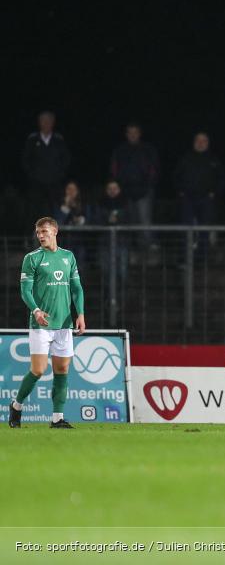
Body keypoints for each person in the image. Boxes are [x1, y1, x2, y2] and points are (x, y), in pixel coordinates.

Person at [8, 217, 85, 429]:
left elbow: (77, 288)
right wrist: (36, 310)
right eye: (38, 232)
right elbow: (25, 291)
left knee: (62, 370)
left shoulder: (68, 257)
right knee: (39, 370)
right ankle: (16, 406)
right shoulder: (32, 258)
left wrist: (80, 314)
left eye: (44, 231)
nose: (41, 236)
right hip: (41, 323)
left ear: (55, 231)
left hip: (64, 323)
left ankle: (57, 418)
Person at [110, 122, 160, 249]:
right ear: (126, 134)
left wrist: (148, 186)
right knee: (130, 220)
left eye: (135, 132)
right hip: (126, 192)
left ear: (139, 134)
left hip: (144, 191)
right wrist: (119, 188)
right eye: (130, 132)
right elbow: (114, 170)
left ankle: (148, 245)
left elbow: (154, 170)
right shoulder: (120, 150)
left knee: (145, 219)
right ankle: (134, 246)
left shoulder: (148, 149)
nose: (132, 135)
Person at [175, 132, 225, 248]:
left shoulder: (214, 159)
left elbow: (221, 178)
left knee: (205, 229)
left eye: (204, 141)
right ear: (194, 142)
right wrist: (181, 191)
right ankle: (186, 259)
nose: (200, 143)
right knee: (186, 230)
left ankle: (203, 260)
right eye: (198, 140)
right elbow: (176, 176)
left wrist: (214, 193)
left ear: (208, 143)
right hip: (188, 199)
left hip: (206, 199)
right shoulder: (186, 158)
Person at [21, 111, 71, 221]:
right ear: (39, 123)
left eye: (49, 121)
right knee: (35, 211)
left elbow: (66, 159)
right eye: (43, 121)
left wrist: (59, 175)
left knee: (56, 211)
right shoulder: (32, 139)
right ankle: (35, 236)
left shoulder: (58, 139)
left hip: (55, 183)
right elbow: (25, 160)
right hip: (37, 183)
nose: (46, 123)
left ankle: (55, 235)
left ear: (53, 123)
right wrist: (33, 175)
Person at [88, 180, 129, 281]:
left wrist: (118, 220)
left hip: (121, 242)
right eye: (110, 189)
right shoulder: (100, 203)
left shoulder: (126, 203)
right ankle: (108, 296)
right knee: (106, 273)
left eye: (115, 188)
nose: (112, 191)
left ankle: (122, 295)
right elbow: (95, 221)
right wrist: (107, 220)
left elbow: (131, 220)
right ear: (106, 190)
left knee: (122, 272)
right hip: (105, 243)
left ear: (119, 189)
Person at [53, 181, 87, 264]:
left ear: (77, 192)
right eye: (69, 189)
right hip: (63, 243)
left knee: (78, 268)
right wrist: (66, 207)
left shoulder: (84, 205)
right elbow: (57, 222)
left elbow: (90, 221)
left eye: (73, 189)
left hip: (79, 243)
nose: (71, 192)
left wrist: (81, 220)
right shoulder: (58, 204)